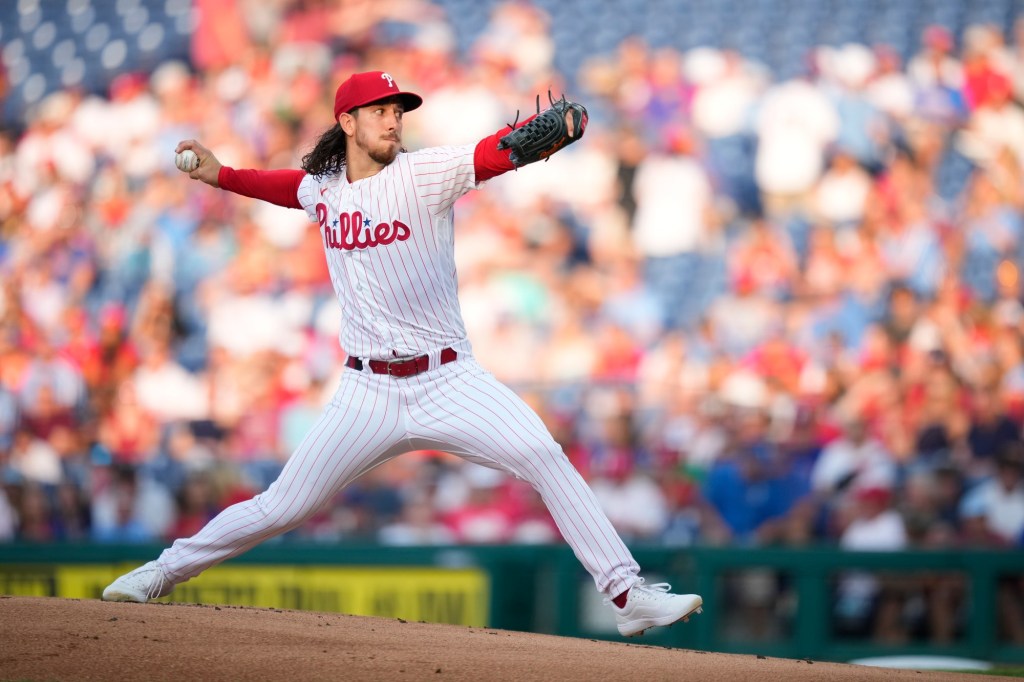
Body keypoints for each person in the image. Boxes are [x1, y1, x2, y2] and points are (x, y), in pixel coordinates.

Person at [101, 70, 703, 637]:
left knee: (543, 453)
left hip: (449, 379)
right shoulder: (324, 189)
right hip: (366, 392)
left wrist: (529, 140)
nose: (393, 120)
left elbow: (489, 153)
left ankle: (627, 596)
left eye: (398, 110)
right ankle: (160, 572)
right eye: (380, 111)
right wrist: (222, 174)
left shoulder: (425, 173)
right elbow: (291, 188)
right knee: (281, 505)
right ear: (348, 121)